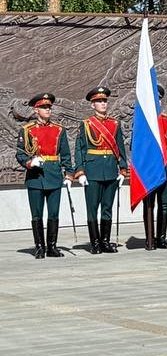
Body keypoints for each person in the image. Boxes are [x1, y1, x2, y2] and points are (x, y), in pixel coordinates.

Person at [17, 93, 73, 259]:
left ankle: (52, 246)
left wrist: (69, 174)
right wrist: (29, 162)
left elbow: (66, 154)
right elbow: (20, 154)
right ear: (36, 110)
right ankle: (39, 247)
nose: (47, 110)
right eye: (43, 107)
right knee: (37, 214)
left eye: (49, 107)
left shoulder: (59, 130)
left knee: (54, 213)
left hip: (54, 174)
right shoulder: (27, 130)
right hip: (36, 176)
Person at [73, 85, 127, 254]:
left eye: (104, 101)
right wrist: (80, 171)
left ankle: (105, 241)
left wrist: (123, 168)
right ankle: (94, 242)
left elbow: (120, 147)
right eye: (99, 101)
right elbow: (80, 149)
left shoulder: (115, 124)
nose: (103, 104)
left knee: (107, 208)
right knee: (92, 208)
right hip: (93, 170)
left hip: (110, 169)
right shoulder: (86, 125)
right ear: (92, 105)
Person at [141, 86, 167, 250]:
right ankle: (149, 237)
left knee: (163, 204)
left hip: (165, 167)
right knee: (149, 204)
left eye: (157, 98)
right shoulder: (142, 121)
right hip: (149, 169)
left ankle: (161, 238)